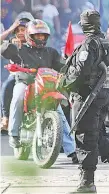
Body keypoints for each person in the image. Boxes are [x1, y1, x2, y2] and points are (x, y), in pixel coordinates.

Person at [59, 10, 109, 193]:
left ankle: (87, 182)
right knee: (97, 136)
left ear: (84, 25)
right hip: (104, 96)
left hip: (88, 97)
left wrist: (64, 83)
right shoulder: (107, 42)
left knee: (85, 137)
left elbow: (81, 73)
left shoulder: (90, 44)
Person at [2, 19, 78, 163]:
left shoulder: (51, 52)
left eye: (43, 36)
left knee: (59, 114)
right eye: (38, 36)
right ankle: (14, 134)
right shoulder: (20, 48)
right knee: (17, 96)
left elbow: (62, 66)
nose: (41, 38)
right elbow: (4, 50)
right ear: (30, 36)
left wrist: (71, 65)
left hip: (46, 88)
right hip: (26, 83)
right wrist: (10, 44)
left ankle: (72, 150)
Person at [1, 12, 34, 132]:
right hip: (17, 75)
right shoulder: (12, 42)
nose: (20, 32)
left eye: (23, 29)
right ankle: (5, 118)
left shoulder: (37, 41)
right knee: (6, 86)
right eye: (18, 30)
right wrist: (10, 30)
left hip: (35, 75)